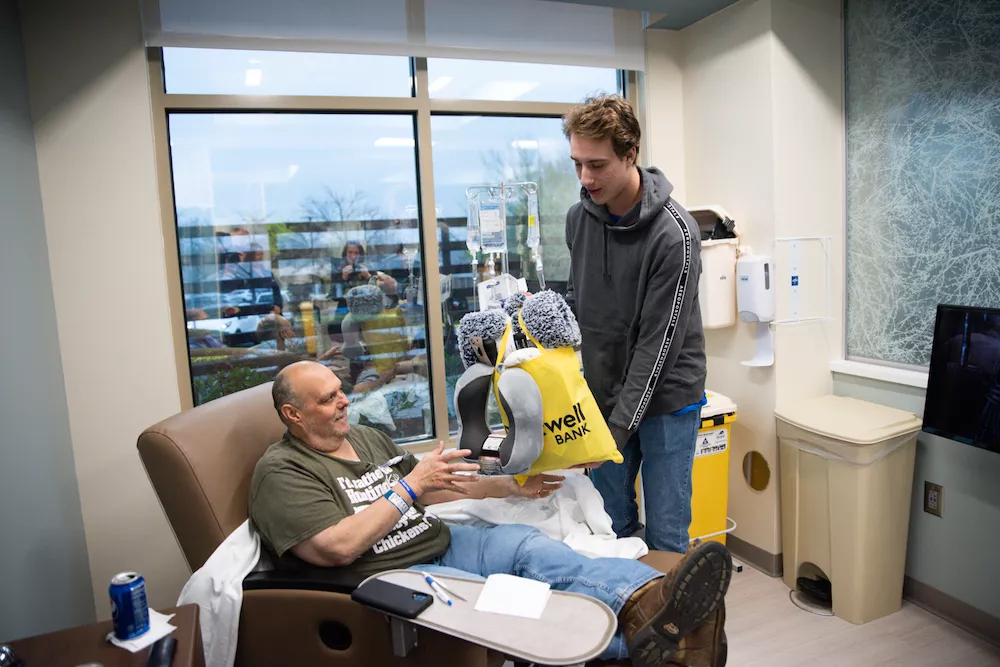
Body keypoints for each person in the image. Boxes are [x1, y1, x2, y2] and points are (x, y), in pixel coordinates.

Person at [249, 361, 729, 667]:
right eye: (328, 399)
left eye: (340, 390)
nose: (344, 401)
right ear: (293, 415)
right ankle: (662, 645)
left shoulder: (366, 438)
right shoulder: (283, 472)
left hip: (440, 542)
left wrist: (510, 486)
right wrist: (409, 486)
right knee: (520, 604)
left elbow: (434, 489)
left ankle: (652, 594)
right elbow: (336, 547)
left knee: (531, 548)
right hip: (395, 575)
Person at [562, 94, 707, 555]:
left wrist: (615, 430)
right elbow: (579, 303)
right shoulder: (578, 220)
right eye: (577, 163)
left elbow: (657, 347)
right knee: (608, 524)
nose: (586, 178)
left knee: (665, 537)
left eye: (597, 165)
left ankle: (671, 605)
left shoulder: (674, 234)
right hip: (605, 393)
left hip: (665, 397)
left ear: (630, 154)